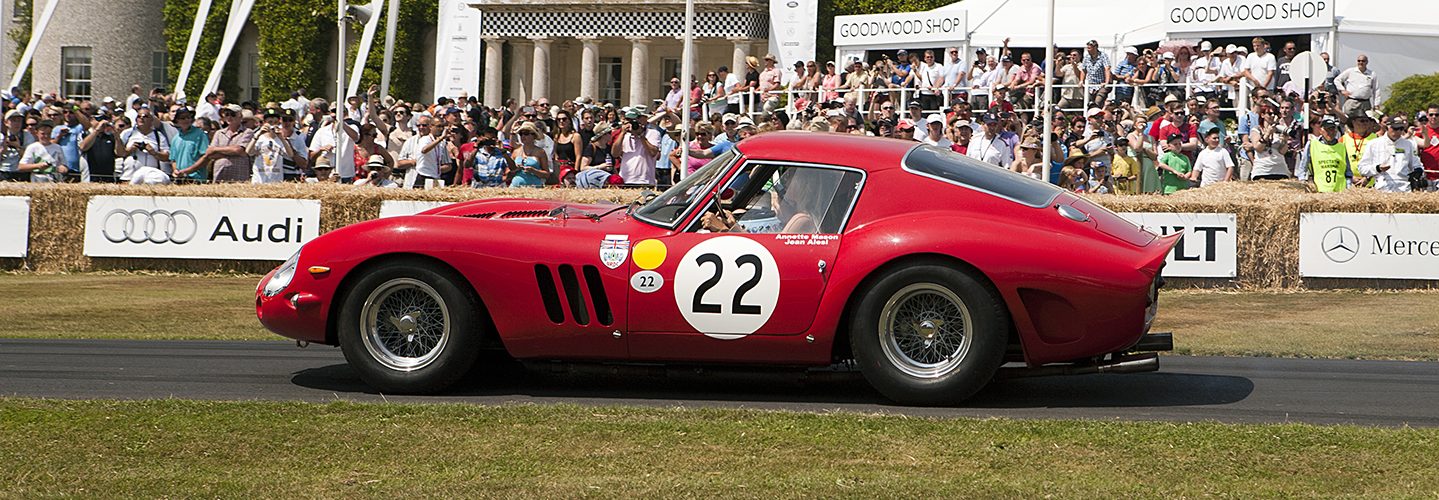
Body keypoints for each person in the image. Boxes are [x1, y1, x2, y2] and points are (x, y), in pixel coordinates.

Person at [1357, 117, 1423, 192]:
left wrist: (1417, 172)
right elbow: (1362, 168)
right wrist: (1378, 168)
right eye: (1395, 128)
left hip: (1404, 188)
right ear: (1387, 127)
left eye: (1401, 129)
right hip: (1382, 188)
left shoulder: (1408, 144)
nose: (1398, 132)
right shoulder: (1373, 144)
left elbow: (1417, 165)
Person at [1297, 117, 1352, 192]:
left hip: (1339, 191)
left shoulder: (1341, 146)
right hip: (1320, 189)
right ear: (1321, 130)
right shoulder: (1312, 144)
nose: (1330, 132)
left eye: (1332, 129)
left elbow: (1347, 170)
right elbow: (1303, 165)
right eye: (1327, 130)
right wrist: (1303, 181)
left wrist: (1348, 187)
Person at [246, 108, 300, 184]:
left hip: (276, 179)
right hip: (259, 178)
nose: (272, 125)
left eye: (275, 122)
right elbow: (249, 152)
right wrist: (257, 136)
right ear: (264, 123)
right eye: (270, 122)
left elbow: (290, 154)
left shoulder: (280, 139)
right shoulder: (259, 137)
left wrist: (282, 138)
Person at [611, 108, 659, 186]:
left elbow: (653, 152)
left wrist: (640, 135)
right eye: (629, 120)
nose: (632, 123)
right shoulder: (625, 136)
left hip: (645, 180)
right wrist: (622, 133)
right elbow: (615, 154)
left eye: (634, 120)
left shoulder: (652, 133)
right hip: (625, 179)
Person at [209, 106, 254, 183]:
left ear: (240, 116)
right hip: (220, 174)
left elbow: (239, 150)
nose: (229, 117)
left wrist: (217, 149)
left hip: (239, 175)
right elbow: (210, 154)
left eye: (232, 114)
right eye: (226, 114)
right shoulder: (219, 133)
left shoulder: (248, 132)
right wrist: (232, 151)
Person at [167, 108, 211, 183]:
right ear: (177, 121)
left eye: (188, 117)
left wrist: (189, 170)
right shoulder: (175, 138)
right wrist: (176, 171)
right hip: (180, 180)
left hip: (197, 179)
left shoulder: (200, 134)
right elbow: (173, 160)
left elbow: (206, 157)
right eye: (183, 118)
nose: (186, 120)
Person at [1335, 55, 1378, 119]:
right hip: (1352, 102)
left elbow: (1376, 89)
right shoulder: (1350, 71)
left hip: (1365, 103)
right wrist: (1342, 90)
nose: (1361, 62)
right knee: (1348, 120)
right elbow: (1337, 80)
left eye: (1363, 61)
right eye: (1359, 61)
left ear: (1367, 62)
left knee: (1365, 121)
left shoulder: (1372, 74)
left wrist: (1376, 103)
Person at [509, 122, 549, 187]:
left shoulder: (540, 152)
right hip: (515, 187)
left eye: (526, 133)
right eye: (521, 134)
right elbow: (508, 172)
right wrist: (515, 169)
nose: (523, 136)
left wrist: (534, 171)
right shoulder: (516, 152)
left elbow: (547, 174)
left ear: (534, 136)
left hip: (534, 188)